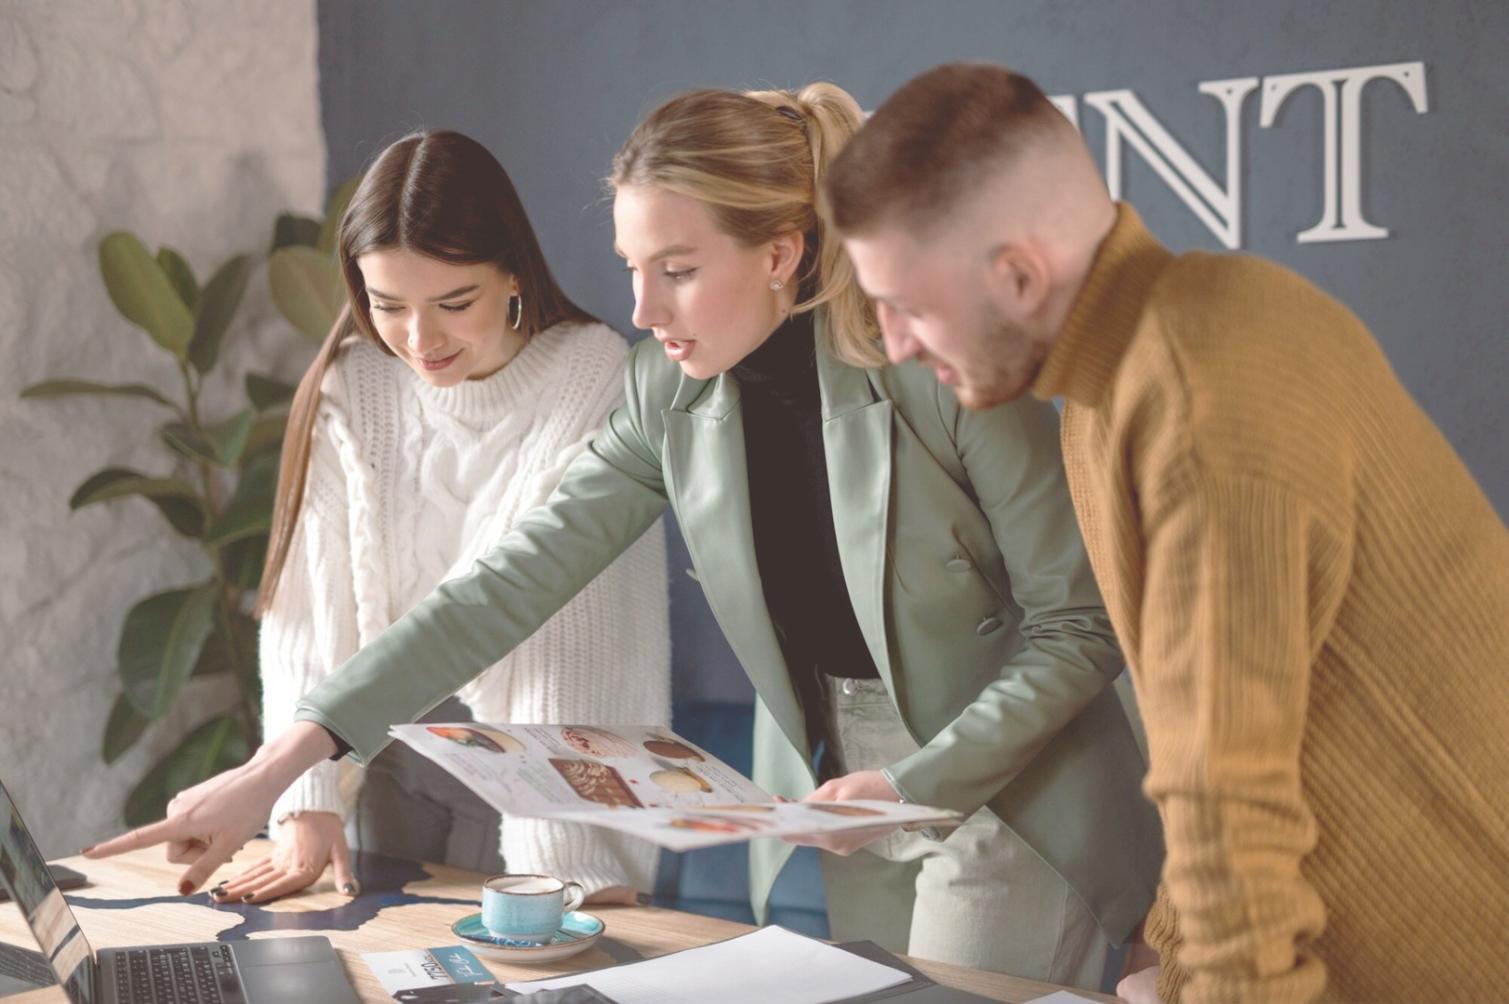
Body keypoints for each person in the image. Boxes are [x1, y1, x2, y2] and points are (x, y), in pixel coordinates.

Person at [86, 85, 1162, 989]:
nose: (641, 309)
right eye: (632, 266)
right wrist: (278, 765)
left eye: (678, 270)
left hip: (1014, 782)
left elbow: (1081, 626)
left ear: (781, 251)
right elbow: (497, 589)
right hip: (843, 786)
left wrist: (916, 778)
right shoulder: (665, 395)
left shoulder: (933, 366)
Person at [823, 60, 1509, 1004]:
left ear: (1018, 274)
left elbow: (1228, 796)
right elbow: (1205, 753)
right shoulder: (1123, 382)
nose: (894, 344)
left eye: (905, 306)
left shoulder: (1198, 393)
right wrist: (1171, 957)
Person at [213, 130, 671, 908]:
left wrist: (568, 857)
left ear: (513, 274)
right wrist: (306, 799)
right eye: (388, 305)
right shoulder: (353, 386)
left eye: (454, 303)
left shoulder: (595, 377)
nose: (420, 340)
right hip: (381, 764)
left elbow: (555, 632)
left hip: (534, 788)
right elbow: (310, 611)